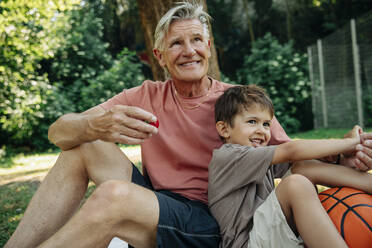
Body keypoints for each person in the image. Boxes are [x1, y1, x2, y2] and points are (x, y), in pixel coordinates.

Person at [5, 2, 372, 248]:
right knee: (82, 146)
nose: (189, 50)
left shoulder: (238, 103)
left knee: (113, 198)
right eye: (176, 43)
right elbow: (58, 132)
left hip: (212, 221)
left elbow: (291, 160)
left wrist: (343, 157)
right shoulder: (144, 94)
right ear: (160, 56)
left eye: (196, 40)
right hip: (162, 202)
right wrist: (91, 126)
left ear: (209, 48)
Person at [208, 85, 372, 248]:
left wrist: (345, 156)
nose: (262, 130)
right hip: (248, 244)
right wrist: (351, 143)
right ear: (224, 129)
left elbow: (304, 163)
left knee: (302, 167)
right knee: (294, 184)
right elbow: (292, 150)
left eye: (266, 124)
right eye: (252, 122)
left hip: (268, 236)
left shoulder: (259, 158)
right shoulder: (228, 156)